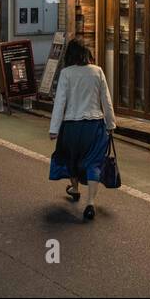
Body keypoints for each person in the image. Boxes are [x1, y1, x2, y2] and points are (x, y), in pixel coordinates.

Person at [48, 39, 117, 221]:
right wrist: (111, 124)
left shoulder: (66, 73)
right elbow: (106, 101)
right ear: (87, 54)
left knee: (72, 158)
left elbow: (60, 102)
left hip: (71, 125)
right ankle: (90, 203)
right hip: (95, 125)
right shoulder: (97, 71)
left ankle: (75, 188)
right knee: (93, 163)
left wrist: (54, 128)